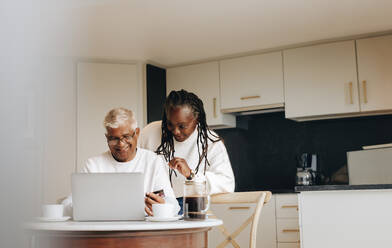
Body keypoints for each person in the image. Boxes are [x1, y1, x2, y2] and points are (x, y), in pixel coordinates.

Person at [63, 107, 179, 216]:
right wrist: (84, 206)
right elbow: (67, 205)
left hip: (142, 231)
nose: (121, 144)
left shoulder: (153, 161)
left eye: (126, 136)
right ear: (107, 137)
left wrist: (162, 206)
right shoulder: (93, 165)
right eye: (114, 139)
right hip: (104, 231)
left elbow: (174, 206)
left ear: (137, 133)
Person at [139, 90, 235, 213]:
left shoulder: (211, 143)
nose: (175, 131)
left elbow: (226, 183)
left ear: (197, 119)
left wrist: (191, 174)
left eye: (182, 126)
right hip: (152, 204)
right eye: (170, 124)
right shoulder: (150, 132)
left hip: (190, 205)